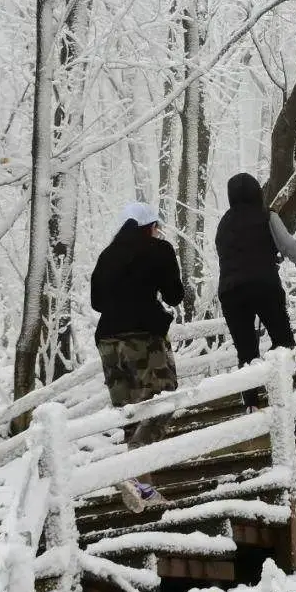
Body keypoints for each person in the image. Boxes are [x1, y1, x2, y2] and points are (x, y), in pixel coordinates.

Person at [91, 202, 184, 511]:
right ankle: (134, 468)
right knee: (164, 398)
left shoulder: (107, 255)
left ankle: (144, 487)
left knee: (130, 412)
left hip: (107, 341)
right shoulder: (158, 249)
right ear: (150, 227)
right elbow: (175, 295)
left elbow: (96, 301)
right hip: (141, 337)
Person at [216, 173, 296, 407]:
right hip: (264, 286)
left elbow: (233, 256)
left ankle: (252, 404)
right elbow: (289, 245)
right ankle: (284, 396)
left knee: (245, 350)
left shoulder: (223, 224)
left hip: (231, 292)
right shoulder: (266, 216)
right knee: (283, 340)